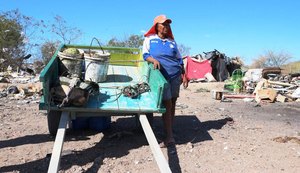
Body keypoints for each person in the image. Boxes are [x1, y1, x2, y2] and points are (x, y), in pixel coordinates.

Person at [142, 14, 188, 147]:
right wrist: (153, 60)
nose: (167, 27)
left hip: (175, 75)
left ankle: (169, 130)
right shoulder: (150, 39)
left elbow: (179, 59)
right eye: (164, 24)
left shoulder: (172, 42)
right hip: (161, 76)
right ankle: (169, 136)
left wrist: (184, 73)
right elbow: (145, 55)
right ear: (156, 26)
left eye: (168, 24)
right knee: (167, 103)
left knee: (173, 103)